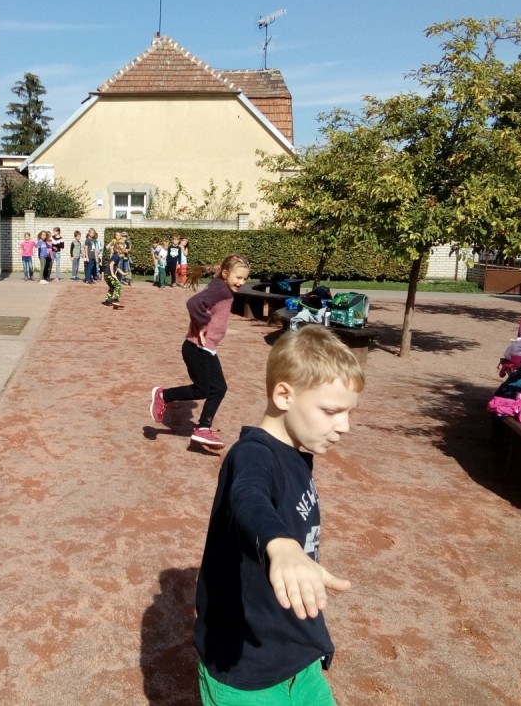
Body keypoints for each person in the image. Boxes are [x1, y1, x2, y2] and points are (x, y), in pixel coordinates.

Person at [192, 324, 364, 705]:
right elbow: (248, 498)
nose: (345, 426)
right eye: (331, 411)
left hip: (297, 654)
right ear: (284, 395)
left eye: (349, 412)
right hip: (245, 671)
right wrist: (281, 544)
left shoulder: (297, 452)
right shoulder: (253, 454)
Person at [149, 254, 250, 448]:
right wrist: (203, 325)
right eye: (238, 277)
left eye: (245, 278)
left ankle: (203, 428)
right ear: (225, 273)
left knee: (219, 388)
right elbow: (194, 303)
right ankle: (163, 395)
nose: (241, 282)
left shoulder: (221, 286)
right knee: (202, 389)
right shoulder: (221, 289)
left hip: (206, 348)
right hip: (196, 348)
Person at [102, 241, 128, 308]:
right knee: (118, 286)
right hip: (109, 275)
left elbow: (117, 268)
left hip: (107, 275)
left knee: (112, 287)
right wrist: (113, 274)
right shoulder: (116, 256)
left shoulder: (116, 256)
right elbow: (111, 264)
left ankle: (107, 302)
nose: (124, 249)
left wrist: (123, 273)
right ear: (119, 249)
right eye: (123, 248)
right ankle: (116, 301)